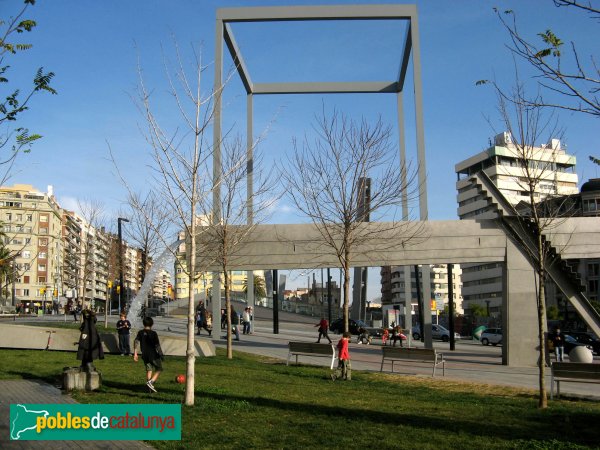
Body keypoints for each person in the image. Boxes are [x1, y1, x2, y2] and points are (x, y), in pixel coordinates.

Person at [133, 317, 164, 393]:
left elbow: (136, 341)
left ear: (143, 324)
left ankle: (149, 389)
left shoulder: (140, 332)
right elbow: (157, 345)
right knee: (159, 369)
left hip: (145, 355)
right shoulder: (153, 333)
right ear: (152, 324)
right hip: (153, 355)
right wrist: (161, 354)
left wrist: (135, 354)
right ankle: (151, 382)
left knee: (149, 370)